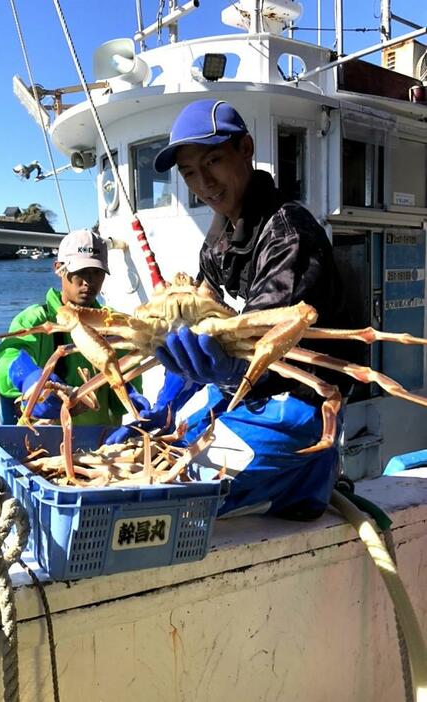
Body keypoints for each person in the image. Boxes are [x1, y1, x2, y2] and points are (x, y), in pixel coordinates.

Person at [108, 98, 351, 520]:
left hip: (298, 405)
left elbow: (268, 346)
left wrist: (229, 371)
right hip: (243, 400)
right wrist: (167, 403)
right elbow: (196, 317)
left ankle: (310, 473)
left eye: (214, 161)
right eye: (189, 173)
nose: (203, 183)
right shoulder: (219, 236)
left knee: (180, 494)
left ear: (246, 148)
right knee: (154, 452)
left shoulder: (288, 235)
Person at [0, 228, 144, 426]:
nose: (89, 282)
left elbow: (120, 396)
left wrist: (134, 396)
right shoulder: (35, 319)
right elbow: (3, 360)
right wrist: (28, 377)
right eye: (80, 272)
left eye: (97, 273)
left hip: (102, 443)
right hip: (44, 442)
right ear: (59, 268)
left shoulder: (113, 323)